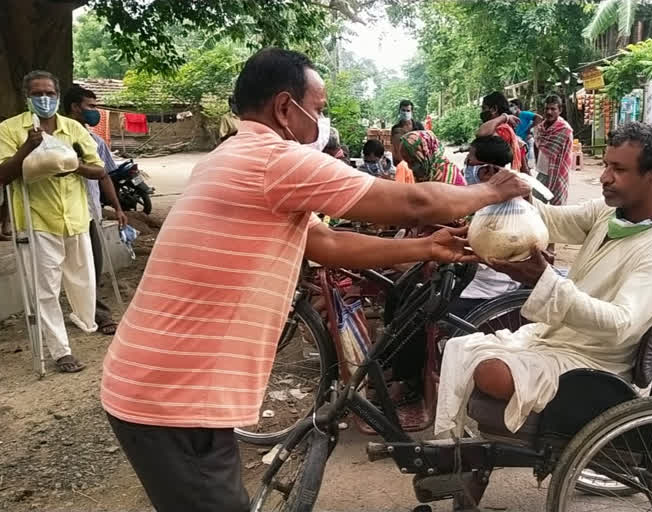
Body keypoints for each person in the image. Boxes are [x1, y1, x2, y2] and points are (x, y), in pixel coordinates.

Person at [100, 47, 530, 512]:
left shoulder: (232, 158)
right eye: (319, 110)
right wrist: (491, 190)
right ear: (286, 108)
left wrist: (425, 247)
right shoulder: (274, 160)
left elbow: (325, 244)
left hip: (162, 385)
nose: (321, 122)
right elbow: (414, 204)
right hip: (173, 396)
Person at [436, 122, 652, 439]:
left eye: (618, 169)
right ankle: (456, 449)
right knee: (459, 347)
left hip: (594, 363)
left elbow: (620, 324)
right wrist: (512, 197)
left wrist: (546, 281)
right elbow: (549, 220)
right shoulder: (608, 214)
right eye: (606, 165)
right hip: (556, 339)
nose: (605, 177)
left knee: (488, 371)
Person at [0, 70, 106, 373]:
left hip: (74, 217)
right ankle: (60, 351)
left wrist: (73, 167)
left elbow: (98, 170)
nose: (44, 99)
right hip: (36, 220)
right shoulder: (10, 129)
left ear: (58, 96)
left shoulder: (72, 128)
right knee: (44, 289)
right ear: (27, 97)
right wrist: (28, 149)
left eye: (49, 93)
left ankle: (84, 319)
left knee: (84, 283)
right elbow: (3, 175)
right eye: (37, 94)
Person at [62, 84, 128, 336]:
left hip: (89, 213)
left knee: (93, 265)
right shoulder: (55, 139)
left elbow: (104, 176)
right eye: (90, 106)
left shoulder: (95, 141)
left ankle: (96, 313)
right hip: (58, 212)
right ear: (75, 107)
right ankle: (87, 312)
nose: (95, 112)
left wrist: (118, 207)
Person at [451, 135, 521, 318]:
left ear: (488, 170)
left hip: (489, 290)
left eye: (470, 162)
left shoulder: (502, 207)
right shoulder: (498, 197)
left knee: (423, 315)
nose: (466, 167)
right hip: (481, 279)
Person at [534, 94, 573, 206]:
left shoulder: (565, 129)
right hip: (542, 172)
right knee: (536, 206)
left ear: (559, 110)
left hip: (558, 174)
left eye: (553, 109)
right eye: (547, 109)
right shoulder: (541, 127)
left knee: (558, 209)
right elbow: (538, 147)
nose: (549, 112)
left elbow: (552, 150)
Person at [399, 130, 466, 185]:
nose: (409, 167)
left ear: (426, 154)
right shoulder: (425, 175)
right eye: (407, 162)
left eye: (413, 162)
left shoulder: (448, 177)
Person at [478, 92, 522, 171]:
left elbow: (481, 133)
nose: (482, 112)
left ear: (494, 109)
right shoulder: (499, 127)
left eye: (484, 108)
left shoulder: (502, 129)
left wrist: (504, 117)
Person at [510, 98, 542, 166]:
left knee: (529, 164)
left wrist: (530, 128)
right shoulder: (512, 117)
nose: (510, 107)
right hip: (519, 143)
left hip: (527, 142)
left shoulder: (524, 114)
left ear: (517, 106)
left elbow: (539, 118)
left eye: (511, 105)